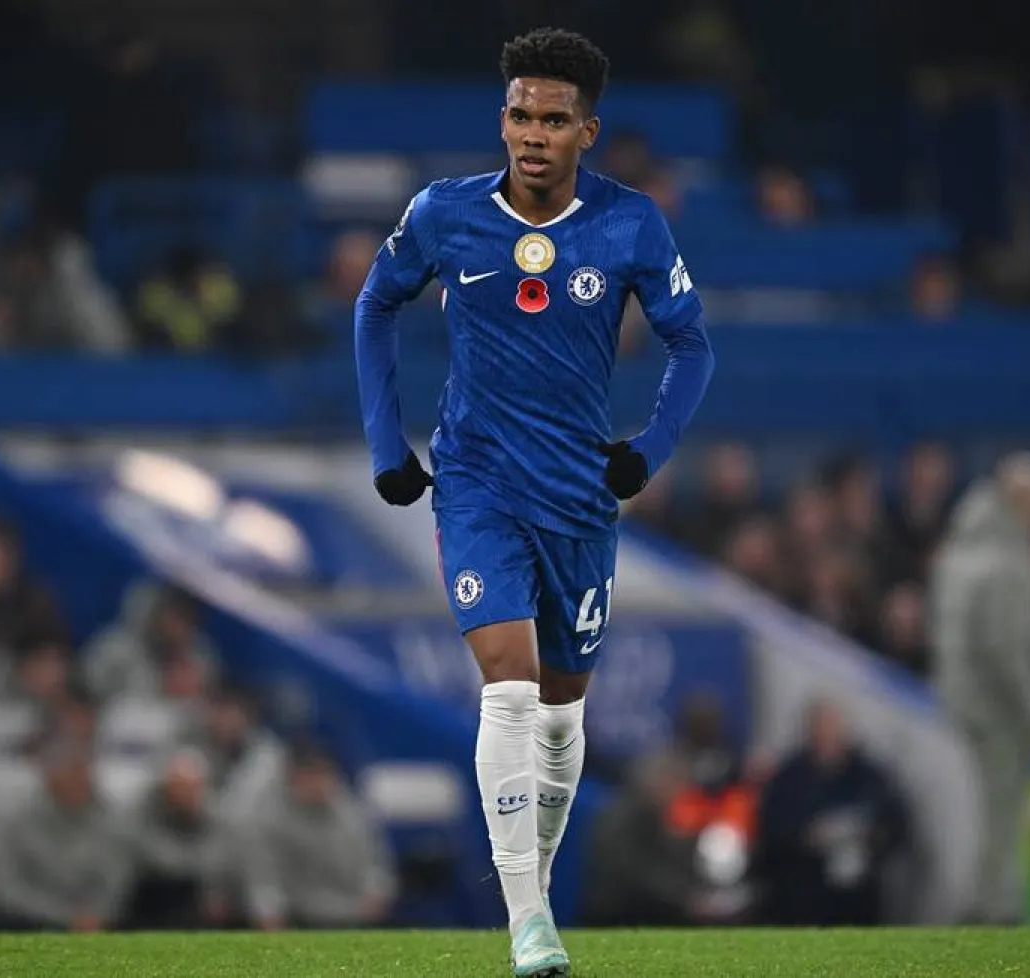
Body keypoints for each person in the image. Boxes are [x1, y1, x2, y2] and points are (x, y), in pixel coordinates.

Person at [353, 28, 714, 976]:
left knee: (560, 718)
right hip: (477, 486)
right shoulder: (444, 214)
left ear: (587, 132)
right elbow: (372, 305)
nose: (534, 134)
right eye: (520, 114)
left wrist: (647, 453)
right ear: (502, 119)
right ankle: (527, 926)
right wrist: (390, 447)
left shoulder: (631, 224)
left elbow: (693, 346)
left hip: (581, 500)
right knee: (507, 691)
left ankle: (533, 893)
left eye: (555, 119)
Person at [929, 452, 1030, 924]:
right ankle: (994, 910)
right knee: (1000, 817)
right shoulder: (1007, 557)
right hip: (998, 710)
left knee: (974, 814)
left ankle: (981, 904)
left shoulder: (959, 549)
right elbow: (1009, 648)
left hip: (959, 704)